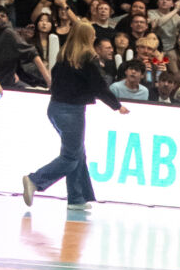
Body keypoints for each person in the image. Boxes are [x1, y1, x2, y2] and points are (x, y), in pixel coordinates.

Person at [22, 17, 125, 209]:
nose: (94, 38)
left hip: (55, 108)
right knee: (71, 157)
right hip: (72, 112)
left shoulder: (63, 56)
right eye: (92, 35)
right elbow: (99, 86)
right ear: (87, 37)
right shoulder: (88, 58)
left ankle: (77, 198)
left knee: (78, 153)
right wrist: (117, 105)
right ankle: (35, 180)